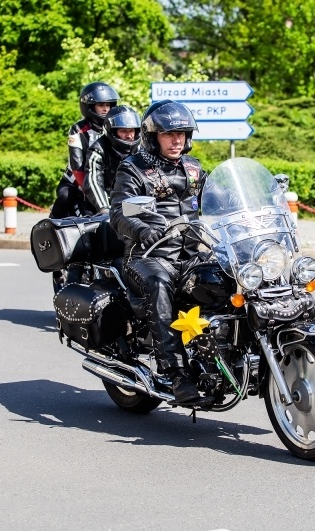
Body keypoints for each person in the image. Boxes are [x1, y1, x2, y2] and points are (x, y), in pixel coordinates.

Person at [109, 100, 209, 405]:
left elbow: (218, 199)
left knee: (231, 275)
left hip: (192, 252)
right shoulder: (135, 168)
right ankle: (175, 372)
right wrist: (142, 230)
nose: (177, 139)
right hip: (147, 256)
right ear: (154, 136)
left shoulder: (193, 169)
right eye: (169, 134)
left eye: (182, 133)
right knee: (160, 284)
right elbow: (120, 212)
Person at [50, 82, 119, 219]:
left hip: (105, 184)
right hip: (77, 184)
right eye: (101, 105)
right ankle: (52, 222)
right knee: (65, 196)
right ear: (89, 106)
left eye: (108, 105)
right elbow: (77, 165)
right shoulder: (78, 129)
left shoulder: (116, 128)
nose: (106, 109)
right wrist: (89, 190)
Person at [83, 105, 141, 214]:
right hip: (104, 202)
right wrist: (104, 208)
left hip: (132, 203)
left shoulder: (141, 150)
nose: (129, 136)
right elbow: (93, 181)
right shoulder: (97, 151)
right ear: (112, 131)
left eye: (131, 130)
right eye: (123, 131)